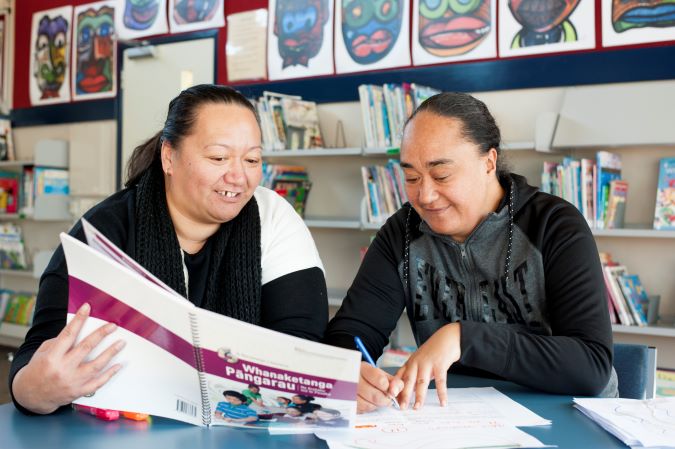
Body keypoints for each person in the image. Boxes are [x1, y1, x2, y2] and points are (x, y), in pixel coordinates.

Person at [9, 84, 328, 415]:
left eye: (252, 159)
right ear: (169, 157)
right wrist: (40, 390)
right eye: (219, 157)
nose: (238, 176)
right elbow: (34, 363)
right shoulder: (105, 229)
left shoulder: (273, 218)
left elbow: (302, 348)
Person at [324, 92, 617, 413]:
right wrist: (349, 369)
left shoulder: (554, 224)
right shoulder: (402, 232)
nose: (425, 195)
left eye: (441, 175)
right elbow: (352, 331)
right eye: (411, 177)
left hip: (561, 413)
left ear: (488, 162)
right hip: (453, 415)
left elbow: (591, 366)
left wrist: (466, 339)